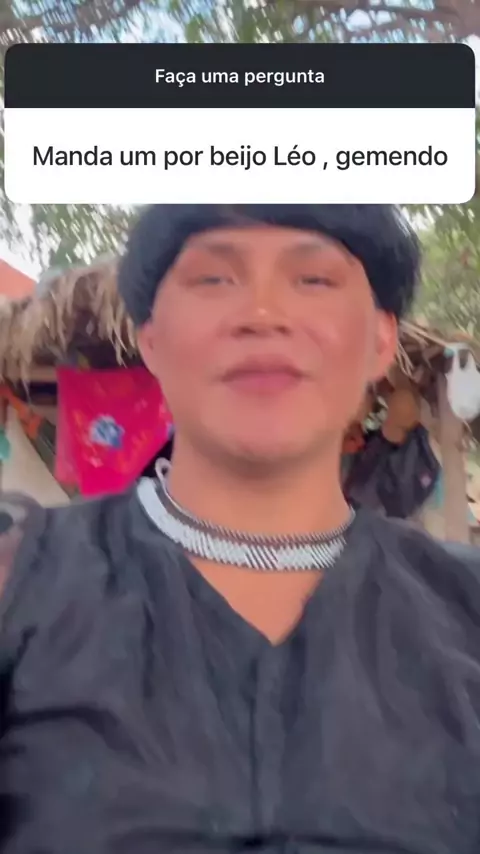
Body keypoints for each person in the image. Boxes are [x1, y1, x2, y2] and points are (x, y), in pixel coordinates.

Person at [1, 204, 480, 854]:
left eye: (314, 280)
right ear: (150, 338)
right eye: (213, 279)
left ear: (379, 340)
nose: (262, 313)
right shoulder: (19, 578)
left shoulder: (464, 608)